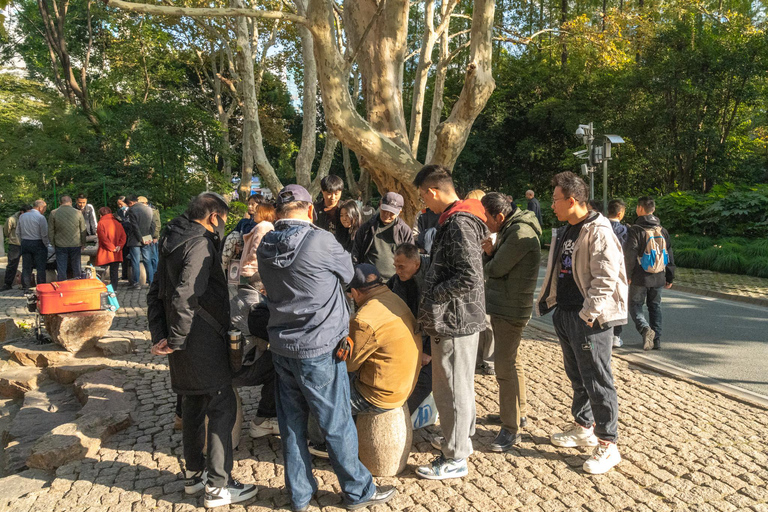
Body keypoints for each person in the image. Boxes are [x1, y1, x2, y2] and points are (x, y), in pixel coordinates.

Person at [257, 184, 395, 512]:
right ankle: (358, 492)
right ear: (309, 210)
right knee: (335, 422)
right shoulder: (321, 240)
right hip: (319, 348)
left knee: (291, 423)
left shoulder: (265, 245)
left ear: (278, 213)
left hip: (282, 347)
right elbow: (351, 276)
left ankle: (300, 495)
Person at [147, 192, 258, 508]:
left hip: (182, 341)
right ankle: (219, 487)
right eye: (222, 219)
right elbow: (185, 296)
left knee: (193, 406)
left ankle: (194, 477)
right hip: (200, 340)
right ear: (214, 217)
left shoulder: (172, 238)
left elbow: (155, 294)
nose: (223, 225)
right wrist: (178, 339)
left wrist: (163, 335)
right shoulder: (199, 243)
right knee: (222, 405)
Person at [536, 171, 626, 475]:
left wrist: (588, 313)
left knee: (598, 379)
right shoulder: (566, 229)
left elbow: (606, 277)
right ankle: (583, 426)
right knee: (577, 375)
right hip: (565, 313)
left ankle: (607, 444)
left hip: (590, 319)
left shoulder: (598, 230)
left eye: (555, 199)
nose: (552, 205)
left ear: (572, 200)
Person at [412, 165, 488, 480]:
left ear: (432, 191)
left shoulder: (459, 223)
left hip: (453, 320)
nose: (423, 205)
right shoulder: (458, 219)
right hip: (457, 318)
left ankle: (456, 456)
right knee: (459, 385)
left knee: (452, 388)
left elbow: (469, 276)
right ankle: (460, 439)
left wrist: (433, 296)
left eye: (422, 197)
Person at [309, 264, 422, 456]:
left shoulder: (363, 320)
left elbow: (348, 364)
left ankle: (322, 444)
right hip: (406, 382)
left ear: (354, 292)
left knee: (318, 395)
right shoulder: (394, 299)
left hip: (380, 393)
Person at [480, 192, 541, 452]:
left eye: (486, 218)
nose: (485, 223)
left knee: (504, 368)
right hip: (509, 304)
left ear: (500, 216)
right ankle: (519, 412)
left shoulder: (517, 234)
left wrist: (488, 253)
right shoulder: (515, 227)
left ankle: (511, 428)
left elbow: (495, 269)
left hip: (511, 308)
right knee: (512, 362)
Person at [386, 243, 432, 415]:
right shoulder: (399, 278)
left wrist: (427, 350)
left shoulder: (431, 279)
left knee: (424, 380)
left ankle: (400, 416)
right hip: (410, 335)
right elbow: (386, 293)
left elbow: (438, 316)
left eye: (402, 267)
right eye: (396, 266)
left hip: (434, 339)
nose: (398, 271)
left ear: (416, 264)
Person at [624, 196, 675, 351]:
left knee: (634, 305)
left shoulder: (636, 230)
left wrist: (628, 275)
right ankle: (657, 340)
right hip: (659, 275)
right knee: (655, 306)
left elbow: (630, 254)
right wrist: (669, 276)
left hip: (640, 276)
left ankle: (645, 329)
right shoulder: (662, 230)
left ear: (640, 209)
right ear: (653, 210)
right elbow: (669, 253)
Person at [352, 192, 413, 281]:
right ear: (380, 205)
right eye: (384, 210)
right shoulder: (366, 228)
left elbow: (410, 259)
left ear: (399, 212)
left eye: (391, 213)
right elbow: (355, 254)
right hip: (369, 281)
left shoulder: (405, 231)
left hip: (395, 282)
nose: (387, 215)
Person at [48, 195, 87, 281]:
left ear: (60, 203)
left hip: (60, 244)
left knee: (61, 266)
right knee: (76, 265)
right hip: (75, 243)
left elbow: (50, 230)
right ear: (71, 202)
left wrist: (53, 243)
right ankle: (77, 282)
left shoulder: (53, 213)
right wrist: (83, 243)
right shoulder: (78, 213)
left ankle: (62, 284)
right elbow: (83, 230)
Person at [607, 199, 628, 348]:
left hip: (603, 270)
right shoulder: (624, 230)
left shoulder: (600, 227)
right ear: (620, 213)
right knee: (619, 302)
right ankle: (616, 335)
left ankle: (605, 333)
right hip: (619, 271)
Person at [125, 195, 156, 289]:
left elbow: (134, 226)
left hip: (135, 240)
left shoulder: (131, 210)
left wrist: (140, 238)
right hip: (147, 238)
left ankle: (136, 283)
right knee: (148, 261)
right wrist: (149, 237)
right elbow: (153, 225)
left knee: (135, 261)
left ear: (130, 203)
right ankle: (151, 282)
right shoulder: (149, 209)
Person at [17, 199, 49, 289]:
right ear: (40, 207)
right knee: (41, 267)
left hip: (25, 242)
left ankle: (26, 287)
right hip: (38, 243)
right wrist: (46, 244)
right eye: (45, 208)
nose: (45, 210)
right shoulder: (41, 218)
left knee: (26, 267)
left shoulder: (22, 216)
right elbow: (44, 233)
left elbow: (18, 231)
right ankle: (41, 287)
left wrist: (22, 241)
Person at [314, 175, 350, 249]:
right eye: (329, 193)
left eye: (336, 194)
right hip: (320, 249)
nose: (333, 198)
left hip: (342, 250)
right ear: (322, 191)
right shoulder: (314, 209)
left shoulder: (347, 209)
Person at [96, 207, 127, 286]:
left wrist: (111, 247)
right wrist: (119, 246)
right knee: (114, 271)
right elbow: (123, 236)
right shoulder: (117, 223)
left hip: (105, 251)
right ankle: (114, 288)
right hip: (117, 251)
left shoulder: (101, 223)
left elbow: (103, 238)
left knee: (100, 271)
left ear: (100, 215)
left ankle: (100, 286)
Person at [2, 206, 30, 291]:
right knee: (12, 264)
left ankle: (25, 284)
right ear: (22, 212)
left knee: (27, 264)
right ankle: (7, 283)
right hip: (15, 244)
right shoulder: (12, 219)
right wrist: (13, 238)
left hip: (26, 242)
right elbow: (6, 231)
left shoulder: (28, 218)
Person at [138, 196, 161, 279]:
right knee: (149, 258)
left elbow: (157, 225)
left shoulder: (153, 211)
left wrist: (155, 236)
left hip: (152, 237)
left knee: (154, 258)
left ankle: (155, 276)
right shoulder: (144, 211)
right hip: (146, 236)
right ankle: (151, 277)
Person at [115, 196, 131, 281]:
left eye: (121, 204)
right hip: (122, 236)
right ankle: (124, 274)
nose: (120, 206)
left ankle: (130, 274)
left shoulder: (131, 210)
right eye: (118, 205)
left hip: (130, 236)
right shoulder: (119, 212)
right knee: (124, 256)